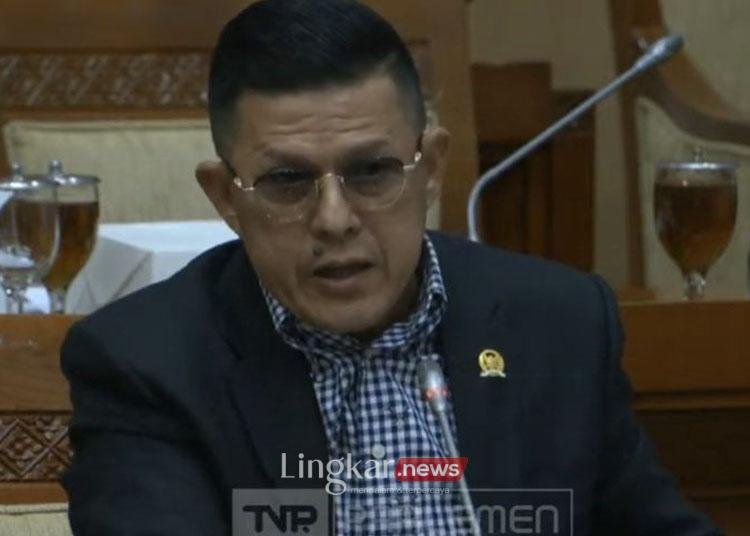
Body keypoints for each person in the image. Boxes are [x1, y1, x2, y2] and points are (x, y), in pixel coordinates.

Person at [61, 0, 721, 534]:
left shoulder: (557, 325)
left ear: (430, 169)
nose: (335, 219)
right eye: (288, 182)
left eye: (372, 171)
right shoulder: (147, 366)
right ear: (226, 197)